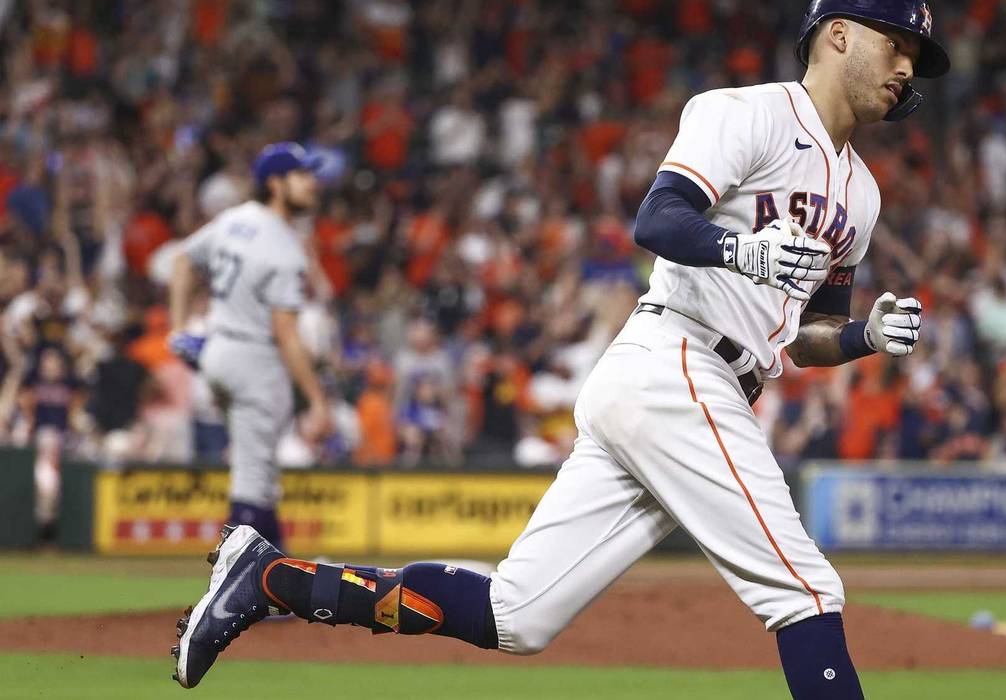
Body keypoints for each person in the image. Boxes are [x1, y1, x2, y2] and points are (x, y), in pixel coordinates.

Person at [171, 4, 948, 697]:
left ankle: (270, 578)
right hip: (676, 362)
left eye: (916, 54)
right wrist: (739, 251)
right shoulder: (744, 113)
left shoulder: (862, 194)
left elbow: (804, 336)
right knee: (805, 592)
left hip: (695, 385)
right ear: (838, 33)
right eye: (897, 43)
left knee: (518, 614)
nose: (907, 66)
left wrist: (864, 337)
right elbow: (658, 219)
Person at [166, 143, 331, 550]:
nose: (313, 183)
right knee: (253, 483)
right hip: (256, 360)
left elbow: (184, 261)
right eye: (302, 175)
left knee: (257, 471)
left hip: (217, 354)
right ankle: (233, 588)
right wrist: (316, 399)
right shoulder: (283, 247)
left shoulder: (234, 219)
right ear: (275, 184)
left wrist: (177, 326)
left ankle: (279, 577)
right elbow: (286, 332)